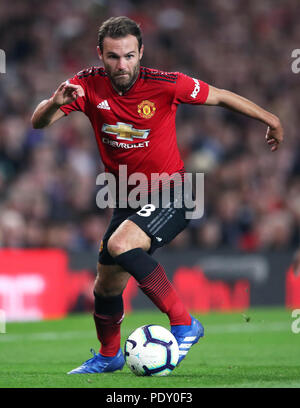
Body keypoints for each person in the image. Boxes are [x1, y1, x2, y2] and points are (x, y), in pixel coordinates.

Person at [31, 16, 283, 374]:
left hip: (175, 192)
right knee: (105, 286)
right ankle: (109, 356)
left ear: (141, 53)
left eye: (130, 56)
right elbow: (38, 124)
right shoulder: (84, 85)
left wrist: (270, 118)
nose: (123, 64)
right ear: (100, 54)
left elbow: (222, 96)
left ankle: (184, 324)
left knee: (121, 246)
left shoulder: (166, 84)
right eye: (115, 56)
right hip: (126, 198)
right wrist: (54, 103)